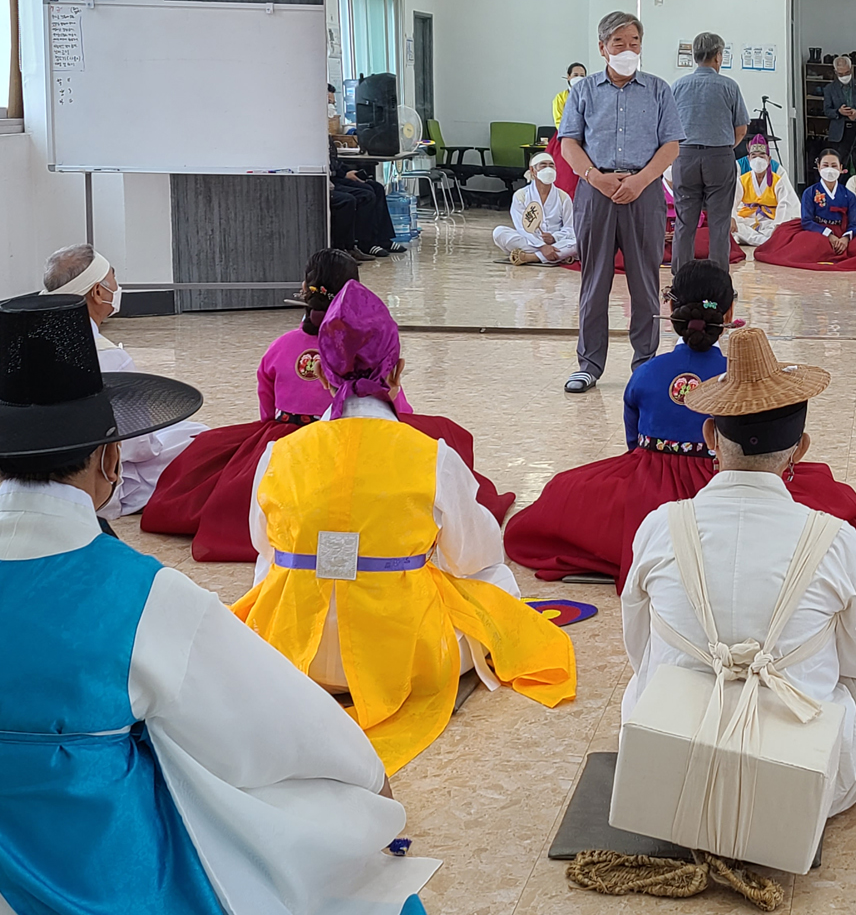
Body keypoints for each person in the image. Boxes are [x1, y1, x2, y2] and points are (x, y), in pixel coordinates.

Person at [0, 292, 440, 914]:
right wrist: (365, 773)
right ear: (110, 458)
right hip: (100, 876)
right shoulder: (139, 595)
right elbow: (274, 720)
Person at [621, 326, 856, 817]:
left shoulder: (660, 526)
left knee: (647, 676)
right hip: (798, 781)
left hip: (667, 765)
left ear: (710, 438)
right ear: (800, 449)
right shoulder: (835, 541)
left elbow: (638, 649)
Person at [232, 282, 576, 772]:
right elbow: (475, 556)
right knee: (495, 579)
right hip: (400, 662)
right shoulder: (431, 457)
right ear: (396, 373)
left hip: (292, 652)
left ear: (323, 375)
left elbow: (261, 546)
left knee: (274, 569)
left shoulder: (279, 453)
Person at [504, 264, 856, 587]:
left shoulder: (645, 373)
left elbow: (633, 445)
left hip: (648, 486)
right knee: (827, 494)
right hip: (723, 475)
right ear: (729, 313)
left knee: (564, 492)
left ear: (671, 307)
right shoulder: (739, 376)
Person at [140, 249, 514, 561]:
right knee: (446, 437)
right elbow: (398, 410)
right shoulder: (369, 350)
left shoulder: (279, 347)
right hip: (366, 434)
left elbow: (266, 408)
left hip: (285, 434)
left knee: (206, 453)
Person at [559, 11, 683, 394]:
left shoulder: (659, 90)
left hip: (644, 193)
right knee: (594, 281)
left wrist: (642, 180)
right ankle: (589, 365)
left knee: (645, 283)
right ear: (602, 48)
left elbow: (671, 144)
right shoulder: (583, 91)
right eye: (619, 43)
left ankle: (645, 364)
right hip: (595, 191)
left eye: (634, 43)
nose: (628, 49)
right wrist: (595, 177)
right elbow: (569, 143)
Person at [41, 244, 208, 517]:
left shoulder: (24, 345)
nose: (117, 288)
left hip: (30, 470)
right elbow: (139, 446)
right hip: (94, 483)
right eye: (113, 279)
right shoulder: (110, 357)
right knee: (198, 437)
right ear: (98, 292)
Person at [670, 32, 748, 274]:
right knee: (719, 223)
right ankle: (718, 279)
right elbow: (741, 129)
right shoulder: (729, 86)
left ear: (695, 56)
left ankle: (681, 279)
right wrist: (723, 147)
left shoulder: (678, 86)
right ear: (718, 56)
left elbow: (667, 127)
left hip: (685, 156)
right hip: (719, 157)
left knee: (684, 221)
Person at [753, 148, 856, 271]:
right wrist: (829, 235)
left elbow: (855, 223)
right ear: (818, 167)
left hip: (843, 231)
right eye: (825, 165)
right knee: (811, 243)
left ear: (841, 169)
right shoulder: (810, 192)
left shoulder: (848, 194)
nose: (829, 170)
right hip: (818, 231)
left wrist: (845, 238)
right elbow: (806, 221)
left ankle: (836, 250)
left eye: (834, 166)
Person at [494, 151, 579, 265]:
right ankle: (557, 255)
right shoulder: (521, 195)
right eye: (543, 165)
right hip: (530, 241)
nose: (548, 169)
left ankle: (531, 257)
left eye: (551, 165)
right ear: (533, 170)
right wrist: (542, 246)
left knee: (578, 242)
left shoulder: (563, 197)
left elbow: (570, 228)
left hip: (556, 242)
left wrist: (554, 238)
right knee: (499, 232)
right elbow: (521, 227)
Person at [329, 135, 401, 258]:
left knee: (377, 188)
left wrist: (346, 172)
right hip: (330, 180)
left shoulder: (327, 138)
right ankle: (365, 242)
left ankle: (383, 239)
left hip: (338, 175)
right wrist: (344, 175)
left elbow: (335, 162)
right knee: (366, 195)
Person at [730, 135, 800, 246]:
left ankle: (757, 240)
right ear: (749, 158)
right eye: (754, 156)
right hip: (748, 219)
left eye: (762, 156)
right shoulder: (743, 180)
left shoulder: (777, 180)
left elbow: (785, 203)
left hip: (770, 220)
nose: (758, 160)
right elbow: (732, 200)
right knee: (734, 225)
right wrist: (732, 217)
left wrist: (778, 224)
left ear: (769, 159)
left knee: (781, 230)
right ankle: (767, 242)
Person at [823, 55, 856, 166]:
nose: (844, 76)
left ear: (851, 69)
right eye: (841, 74)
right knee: (839, 165)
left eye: (847, 73)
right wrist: (838, 112)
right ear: (835, 72)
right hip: (839, 134)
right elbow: (826, 111)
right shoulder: (829, 89)